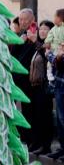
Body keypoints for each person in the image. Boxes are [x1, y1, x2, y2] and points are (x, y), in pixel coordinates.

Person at [9, 8, 36, 145]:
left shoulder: (34, 35)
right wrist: (18, 41)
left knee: (28, 110)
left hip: (28, 79)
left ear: (32, 20)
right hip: (15, 77)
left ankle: (30, 139)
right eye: (20, 19)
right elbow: (11, 55)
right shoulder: (20, 35)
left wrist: (33, 40)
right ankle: (14, 135)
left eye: (25, 19)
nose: (22, 22)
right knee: (11, 107)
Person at [29, 20, 55, 155]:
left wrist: (35, 41)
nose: (42, 31)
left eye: (45, 29)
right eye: (41, 29)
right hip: (36, 86)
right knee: (37, 116)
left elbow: (46, 57)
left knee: (45, 117)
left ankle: (46, 145)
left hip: (45, 87)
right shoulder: (39, 46)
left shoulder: (48, 46)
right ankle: (38, 143)